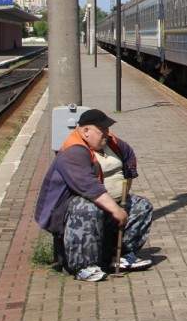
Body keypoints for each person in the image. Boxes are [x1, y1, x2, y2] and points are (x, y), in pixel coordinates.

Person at [34, 108, 153, 282]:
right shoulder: (73, 152)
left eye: (107, 129)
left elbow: (129, 157)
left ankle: (121, 255)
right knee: (87, 208)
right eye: (101, 130)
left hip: (108, 203)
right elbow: (89, 187)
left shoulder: (111, 143)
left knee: (142, 206)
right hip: (67, 211)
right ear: (86, 131)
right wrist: (116, 210)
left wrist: (125, 191)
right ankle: (84, 266)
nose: (106, 134)